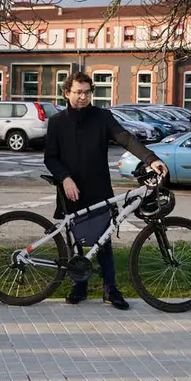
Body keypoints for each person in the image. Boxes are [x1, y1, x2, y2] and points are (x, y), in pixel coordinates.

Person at [44, 71, 166, 310]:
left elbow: (126, 138)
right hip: (71, 190)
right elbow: (51, 158)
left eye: (87, 92)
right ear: (66, 93)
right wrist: (65, 178)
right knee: (75, 239)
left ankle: (110, 289)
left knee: (104, 240)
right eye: (78, 92)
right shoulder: (57, 122)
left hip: (98, 187)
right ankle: (79, 286)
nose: (83, 97)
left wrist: (150, 158)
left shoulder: (102, 117)